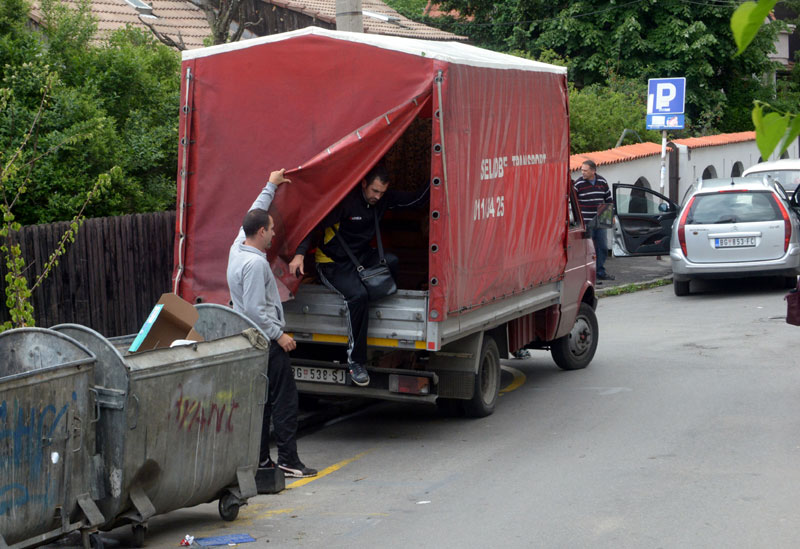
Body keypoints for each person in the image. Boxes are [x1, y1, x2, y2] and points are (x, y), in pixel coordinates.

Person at [288, 164, 428, 387]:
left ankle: (362, 296)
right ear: (364, 184)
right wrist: (299, 254)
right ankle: (356, 362)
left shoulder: (382, 199)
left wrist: (439, 175)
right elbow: (312, 224)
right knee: (358, 296)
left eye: (382, 192)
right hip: (332, 263)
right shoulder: (346, 202)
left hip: (360, 259)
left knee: (392, 262)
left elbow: (416, 200)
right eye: (374, 191)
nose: (377, 196)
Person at [227, 169, 317, 480]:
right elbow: (253, 309)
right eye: (271, 229)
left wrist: (270, 185)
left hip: (252, 340)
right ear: (261, 232)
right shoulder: (253, 264)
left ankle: (262, 460)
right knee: (285, 401)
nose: (274, 233)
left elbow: (254, 211)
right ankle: (289, 460)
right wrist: (280, 336)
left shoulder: (238, 246)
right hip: (265, 340)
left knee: (263, 401)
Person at [574, 159, 615, 281]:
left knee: (602, 246)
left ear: (593, 171)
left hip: (601, 218)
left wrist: (610, 216)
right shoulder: (578, 184)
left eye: (585, 170)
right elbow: (573, 203)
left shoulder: (602, 181)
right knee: (588, 249)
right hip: (586, 221)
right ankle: (589, 275)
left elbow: (608, 199)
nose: (582, 172)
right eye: (582, 170)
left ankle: (600, 272)